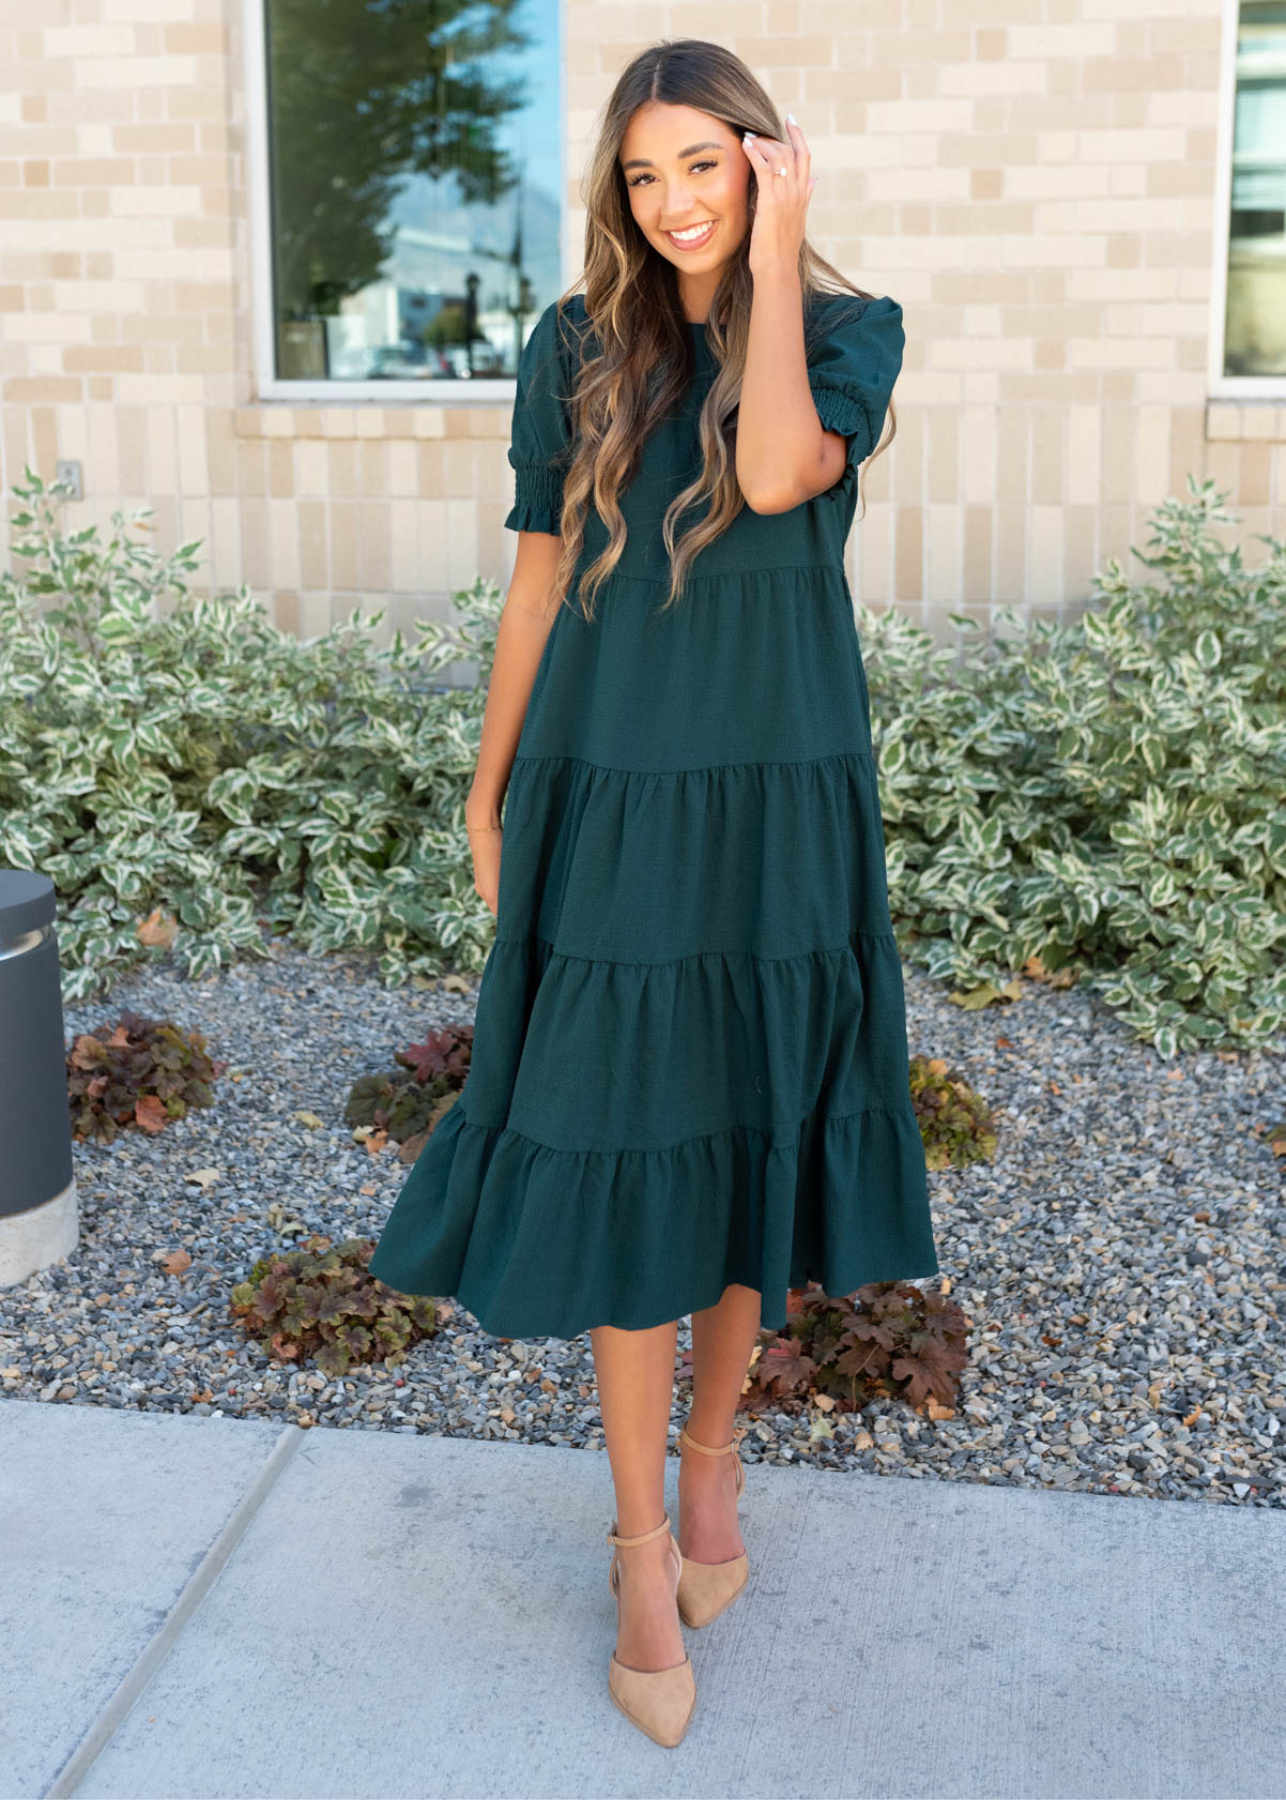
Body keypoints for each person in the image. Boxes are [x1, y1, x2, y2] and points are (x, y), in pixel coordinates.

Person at [368, 36, 940, 1750]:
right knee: (625, 1153)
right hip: (609, 795)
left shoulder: (846, 333)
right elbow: (537, 590)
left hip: (778, 800)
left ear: (762, 162)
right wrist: (485, 791)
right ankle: (634, 1552)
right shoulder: (572, 351)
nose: (671, 200)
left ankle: (712, 1475)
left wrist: (769, 263)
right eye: (644, 175)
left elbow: (773, 477)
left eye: (704, 163)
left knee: (749, 1132)